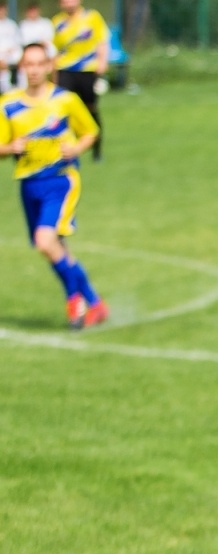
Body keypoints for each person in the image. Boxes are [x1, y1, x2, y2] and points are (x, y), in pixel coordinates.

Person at [0, 41, 107, 328]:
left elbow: (90, 132)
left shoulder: (65, 100)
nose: (34, 70)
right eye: (28, 64)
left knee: (45, 242)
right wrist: (11, 148)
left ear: (49, 66)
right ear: (21, 68)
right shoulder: (8, 104)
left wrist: (76, 149)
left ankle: (75, 302)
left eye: (39, 64)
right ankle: (95, 303)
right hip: (28, 185)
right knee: (55, 249)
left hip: (60, 180)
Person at [50, 0, 106, 161]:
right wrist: (54, 76)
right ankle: (64, 149)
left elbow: (102, 41)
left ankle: (97, 148)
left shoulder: (92, 17)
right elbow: (55, 51)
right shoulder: (57, 22)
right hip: (65, 70)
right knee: (62, 110)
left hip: (87, 70)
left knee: (91, 109)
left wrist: (102, 61)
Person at [0, 9, 20, 93]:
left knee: (21, 59)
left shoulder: (11, 24)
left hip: (12, 51)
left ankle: (19, 88)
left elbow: (17, 41)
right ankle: (6, 90)